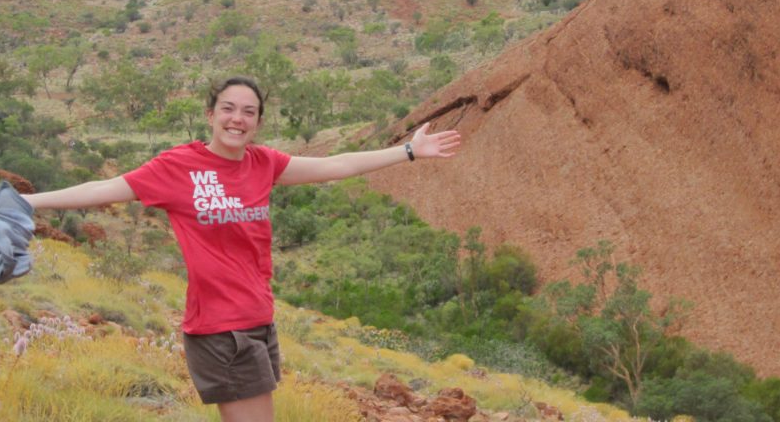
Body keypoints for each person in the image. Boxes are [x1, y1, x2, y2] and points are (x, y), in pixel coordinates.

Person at [23, 75, 461, 422]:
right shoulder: (178, 167)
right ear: (211, 114)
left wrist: (407, 151)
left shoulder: (262, 163)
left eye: (248, 112)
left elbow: (336, 165)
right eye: (229, 109)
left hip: (258, 322)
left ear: (258, 121)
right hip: (220, 329)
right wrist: (28, 201)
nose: (238, 119)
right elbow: (105, 189)